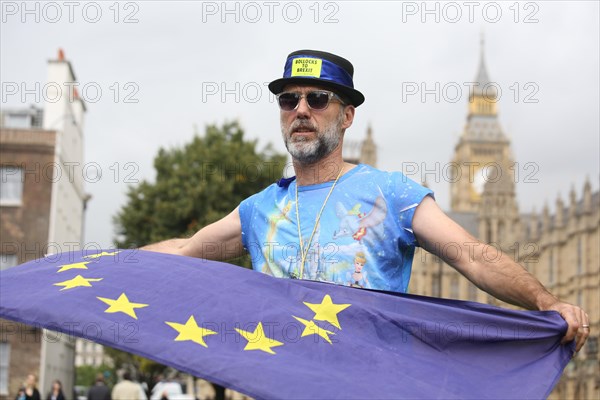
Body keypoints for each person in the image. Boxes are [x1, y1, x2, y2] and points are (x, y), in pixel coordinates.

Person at [142, 49, 590, 352]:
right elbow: (183, 251)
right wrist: (103, 262)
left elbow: (474, 258)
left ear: (347, 114)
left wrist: (546, 303)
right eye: (288, 99)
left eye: (318, 99)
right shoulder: (260, 209)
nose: (301, 110)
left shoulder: (390, 193)